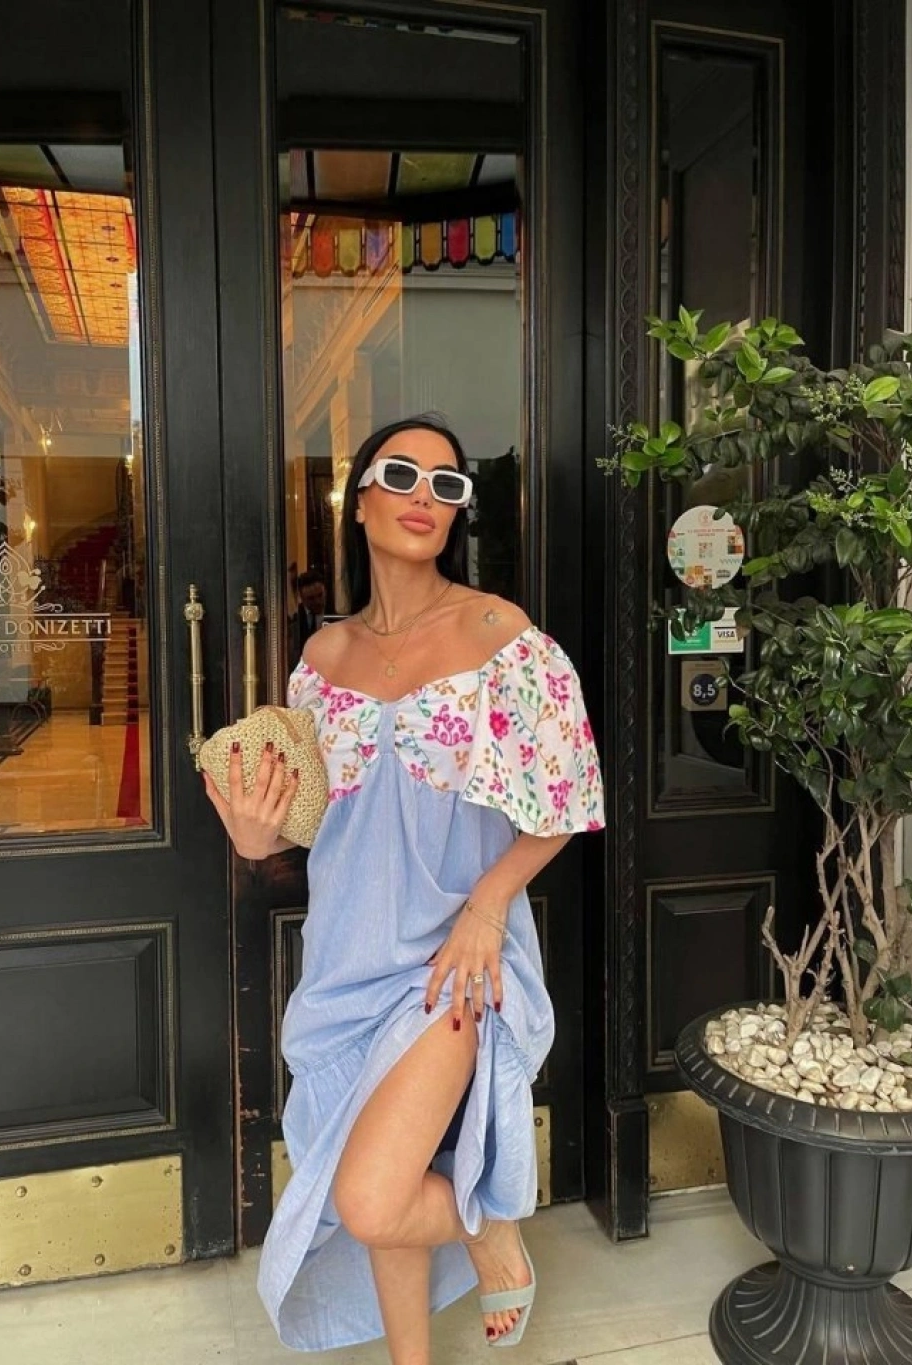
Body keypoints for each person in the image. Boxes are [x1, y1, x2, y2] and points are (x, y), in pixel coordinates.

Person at [203, 415, 604, 1363]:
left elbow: (568, 794)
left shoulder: (499, 634)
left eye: (447, 484)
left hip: (452, 960)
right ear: (360, 500)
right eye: (402, 475)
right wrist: (254, 838)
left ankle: (489, 1226)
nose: (425, 496)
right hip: (346, 959)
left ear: (459, 512)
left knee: (374, 1194)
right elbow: (309, 821)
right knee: (383, 1157)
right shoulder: (319, 662)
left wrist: (488, 905)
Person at [287, 568, 328, 672]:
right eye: (311, 598)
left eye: (320, 595)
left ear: (325, 591)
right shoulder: (295, 618)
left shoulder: (335, 613)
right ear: (301, 597)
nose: (318, 601)